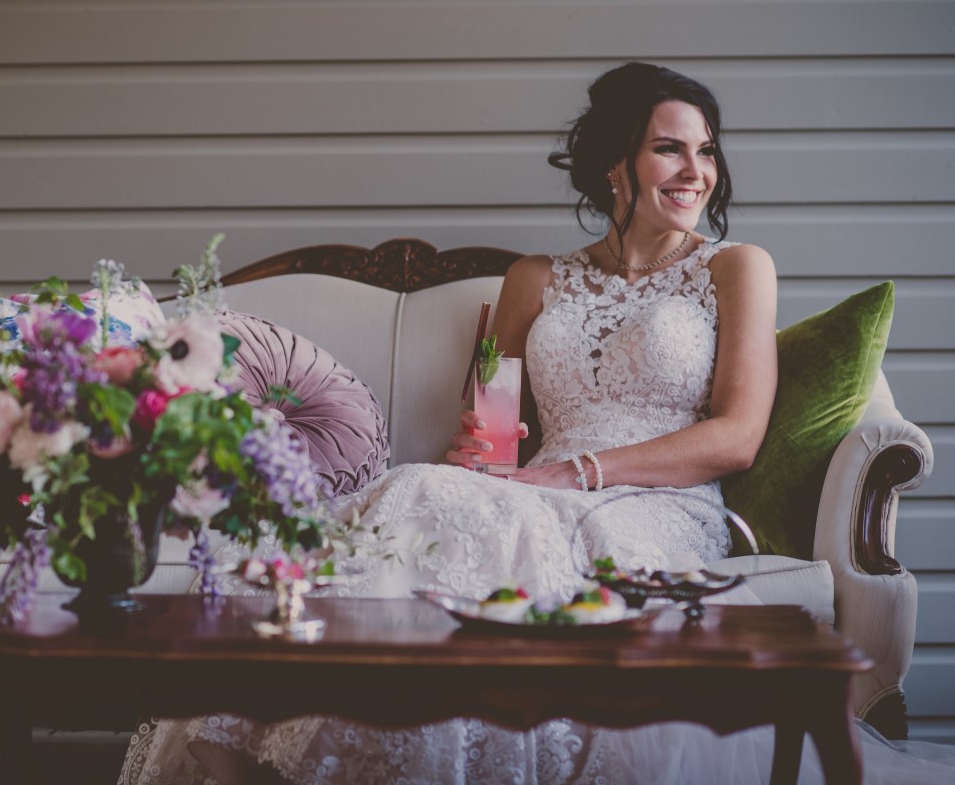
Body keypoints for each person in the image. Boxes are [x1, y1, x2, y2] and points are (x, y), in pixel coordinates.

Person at [118, 63, 955, 784]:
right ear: (617, 165)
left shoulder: (735, 268)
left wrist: (578, 473)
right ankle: (286, 740)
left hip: (660, 504)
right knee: (415, 491)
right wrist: (475, 451)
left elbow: (736, 437)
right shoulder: (533, 279)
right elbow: (491, 423)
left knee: (491, 518)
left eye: (706, 151)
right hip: (535, 485)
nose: (696, 171)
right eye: (670, 148)